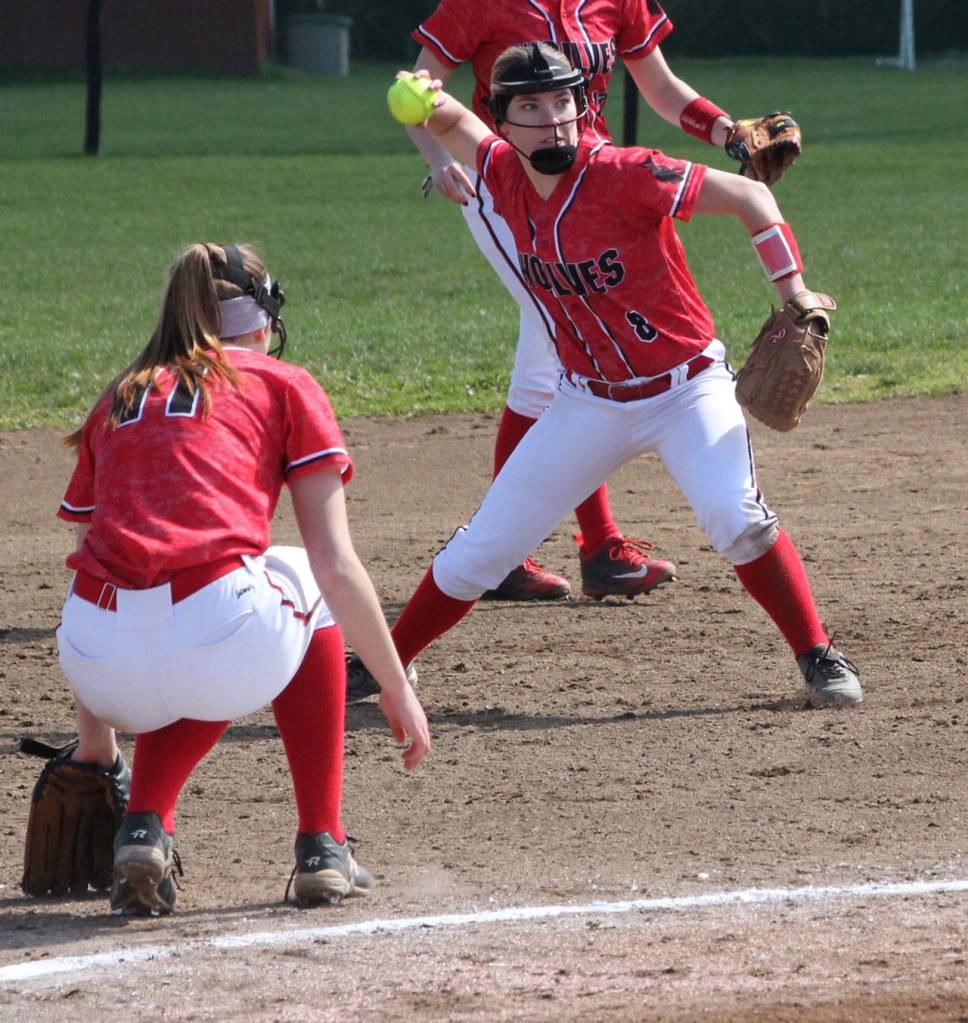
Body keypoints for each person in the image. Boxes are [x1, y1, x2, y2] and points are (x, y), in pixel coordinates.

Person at [350, 47, 862, 711]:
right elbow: (451, 119)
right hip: (587, 403)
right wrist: (418, 93)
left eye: (563, 102)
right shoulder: (502, 172)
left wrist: (792, 290)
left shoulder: (625, 173)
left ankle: (818, 654)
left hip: (686, 389)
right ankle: (388, 663)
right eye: (531, 107)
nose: (553, 120)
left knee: (735, 517)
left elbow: (751, 195)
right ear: (504, 122)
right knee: (481, 549)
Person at [55, 243, 431, 915]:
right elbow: (336, 564)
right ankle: (323, 844)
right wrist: (397, 687)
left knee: (215, 616)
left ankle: (143, 824)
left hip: (94, 658)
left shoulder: (121, 393)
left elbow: (92, 557)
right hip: (213, 634)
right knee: (285, 583)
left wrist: (96, 742)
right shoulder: (283, 383)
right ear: (259, 318)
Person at [405, 0, 788, 602]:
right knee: (547, 353)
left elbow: (659, 87)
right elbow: (418, 87)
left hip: (598, 184)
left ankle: (576, 550)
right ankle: (554, 549)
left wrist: (725, 129)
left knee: (554, 359)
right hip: (512, 185)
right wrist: (438, 157)